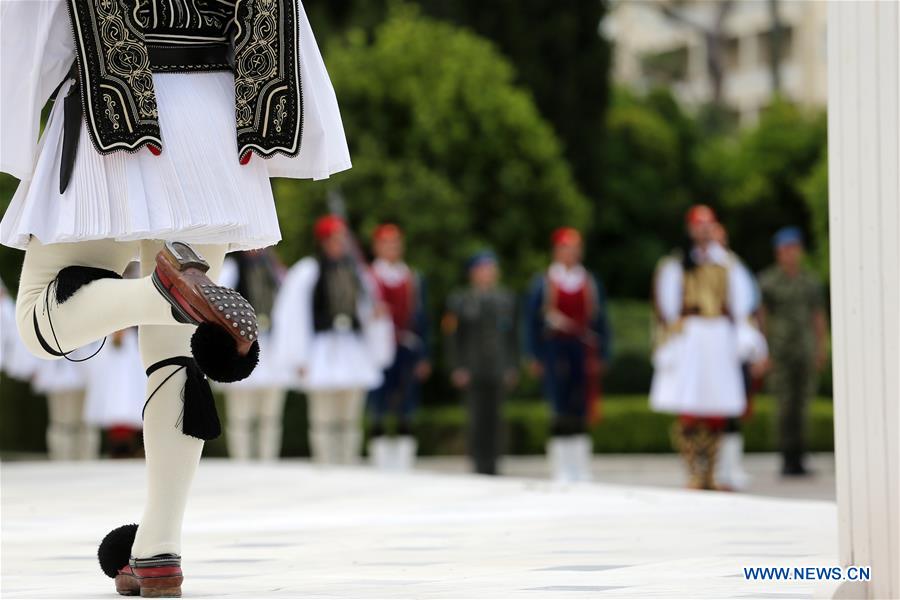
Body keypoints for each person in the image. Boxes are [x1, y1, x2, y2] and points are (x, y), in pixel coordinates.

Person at [1, 0, 349, 593]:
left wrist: (18, 132)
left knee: (37, 318)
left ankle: (160, 294)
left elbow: (26, 27)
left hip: (113, 112)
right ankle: (160, 546)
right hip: (214, 125)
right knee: (177, 358)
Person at [272, 216, 394, 466]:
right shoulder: (309, 271)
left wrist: (376, 321)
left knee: (349, 414)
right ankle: (326, 462)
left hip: (351, 346)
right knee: (323, 414)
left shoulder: (357, 271)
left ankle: (347, 460)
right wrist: (298, 356)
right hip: (322, 347)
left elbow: (365, 308)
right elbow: (295, 315)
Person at [650, 205, 754, 490]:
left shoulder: (729, 265)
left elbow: (741, 304)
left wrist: (744, 337)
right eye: (699, 225)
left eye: (709, 224)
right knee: (690, 405)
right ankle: (694, 470)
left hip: (719, 336)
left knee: (717, 404)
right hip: (693, 337)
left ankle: (714, 471)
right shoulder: (676, 264)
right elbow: (667, 309)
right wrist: (669, 341)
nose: (704, 230)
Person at [526, 228, 611, 482]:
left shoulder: (589, 281)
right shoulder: (544, 282)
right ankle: (561, 466)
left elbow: (602, 322)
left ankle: (580, 465)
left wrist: (603, 354)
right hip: (555, 350)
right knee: (559, 406)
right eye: (566, 248)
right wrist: (534, 355)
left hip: (582, 350)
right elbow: (531, 323)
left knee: (581, 406)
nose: (571, 253)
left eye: (575, 248)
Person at [758, 227, 828, 476]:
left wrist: (821, 348)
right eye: (786, 250)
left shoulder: (809, 281)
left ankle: (800, 457)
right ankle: (786, 456)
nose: (790, 254)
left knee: (803, 406)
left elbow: (818, 317)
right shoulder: (768, 281)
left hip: (804, 350)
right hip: (780, 351)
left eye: (794, 249)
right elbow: (761, 318)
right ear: (778, 253)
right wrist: (763, 350)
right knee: (784, 406)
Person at [444, 251, 518, 475]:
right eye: (482, 269)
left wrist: (511, 365)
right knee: (475, 418)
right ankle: (477, 463)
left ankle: (494, 463)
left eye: (491, 269)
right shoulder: (461, 300)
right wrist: (457, 366)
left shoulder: (506, 299)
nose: (487, 274)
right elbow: (453, 337)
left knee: (495, 418)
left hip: (497, 366)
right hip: (473, 367)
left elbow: (513, 336)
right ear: (473, 273)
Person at [367, 224, 431, 471]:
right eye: (386, 243)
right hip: (379, 350)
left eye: (395, 243)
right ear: (377, 247)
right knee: (379, 406)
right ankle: (380, 463)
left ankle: (404, 463)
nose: (392, 248)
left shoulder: (412, 277)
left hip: (405, 346)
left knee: (407, 405)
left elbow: (422, 319)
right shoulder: (369, 277)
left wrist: (424, 355)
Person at [711, 223, 768, 491]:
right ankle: (714, 468)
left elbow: (752, 311)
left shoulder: (736, 267)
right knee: (713, 411)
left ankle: (732, 467)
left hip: (737, 348)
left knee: (736, 409)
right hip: (712, 349)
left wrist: (760, 348)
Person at [219, 249, 289, 461]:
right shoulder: (232, 268)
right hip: (243, 345)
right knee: (241, 413)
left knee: (270, 412)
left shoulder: (274, 268)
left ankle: (268, 460)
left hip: (271, 344)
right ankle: (242, 461)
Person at [83, 328, 146, 458]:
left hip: (133, 396)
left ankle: (134, 450)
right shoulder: (103, 344)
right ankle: (119, 450)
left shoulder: (136, 342)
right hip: (112, 396)